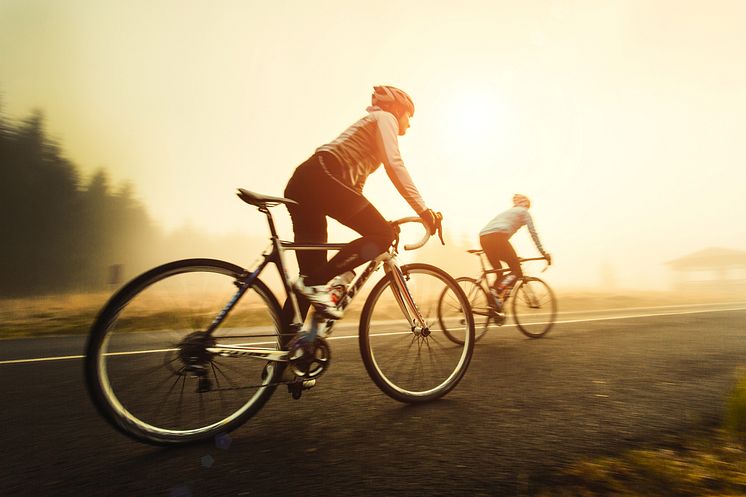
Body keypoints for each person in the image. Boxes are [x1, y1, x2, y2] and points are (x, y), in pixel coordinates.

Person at [283, 85, 438, 320]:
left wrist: (377, 221)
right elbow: (394, 164)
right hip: (320, 177)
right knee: (382, 236)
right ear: (398, 109)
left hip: (306, 182)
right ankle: (318, 283)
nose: (410, 123)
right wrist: (423, 210)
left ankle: (287, 351)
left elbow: (353, 190)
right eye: (409, 115)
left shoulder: (371, 132)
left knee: (309, 278)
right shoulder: (386, 118)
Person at [479, 194, 551, 301]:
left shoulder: (509, 213)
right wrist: (543, 253)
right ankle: (495, 292)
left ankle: (494, 305)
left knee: (499, 273)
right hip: (497, 237)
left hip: (483, 238)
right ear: (527, 205)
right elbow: (533, 234)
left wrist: (513, 257)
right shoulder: (524, 212)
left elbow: (502, 246)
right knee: (516, 271)